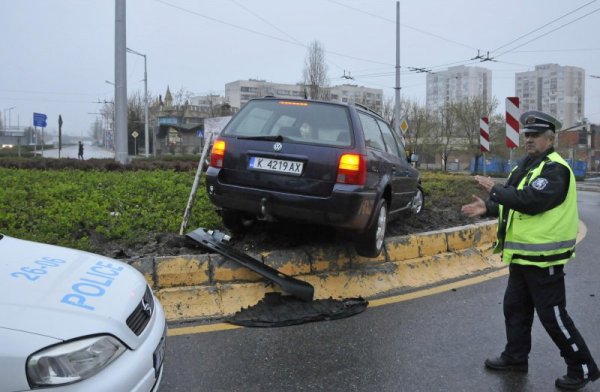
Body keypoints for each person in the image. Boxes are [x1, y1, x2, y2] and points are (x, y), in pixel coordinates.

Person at [461, 110, 599, 391]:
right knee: (515, 308)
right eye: (527, 135)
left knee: (553, 317)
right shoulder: (527, 165)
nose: (529, 140)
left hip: (544, 257)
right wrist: (488, 207)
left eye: (535, 136)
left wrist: (496, 191)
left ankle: (582, 367)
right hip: (523, 256)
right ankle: (515, 357)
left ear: (550, 138)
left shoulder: (555, 168)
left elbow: (531, 201)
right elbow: (514, 203)